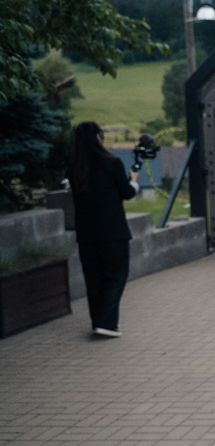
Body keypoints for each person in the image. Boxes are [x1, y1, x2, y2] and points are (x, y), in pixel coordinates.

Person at [68, 122, 139, 338]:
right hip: (113, 232)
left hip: (86, 234)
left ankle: (98, 322)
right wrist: (134, 181)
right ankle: (106, 323)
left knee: (94, 279)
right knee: (115, 275)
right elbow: (126, 193)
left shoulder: (74, 168)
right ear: (98, 137)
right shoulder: (112, 163)